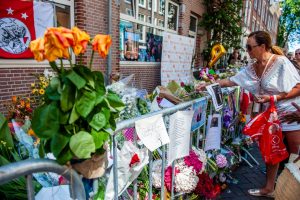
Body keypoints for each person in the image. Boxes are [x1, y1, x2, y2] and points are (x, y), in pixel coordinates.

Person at [197, 31, 300, 197]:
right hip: (272, 113)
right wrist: (208, 84)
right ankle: (269, 188)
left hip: (291, 111)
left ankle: (292, 190)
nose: (247, 51)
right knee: (271, 149)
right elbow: (231, 81)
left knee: (296, 152)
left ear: (263, 46)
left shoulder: (280, 62)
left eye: (249, 47)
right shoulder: (252, 67)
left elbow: (298, 87)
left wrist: (273, 97)